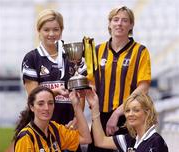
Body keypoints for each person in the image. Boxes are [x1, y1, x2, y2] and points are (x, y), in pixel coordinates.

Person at [21, 9, 86, 151]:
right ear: (39, 30)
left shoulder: (74, 55)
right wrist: (55, 92)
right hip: (44, 128)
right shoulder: (31, 58)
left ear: (61, 31)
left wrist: (77, 119)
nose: (51, 34)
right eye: (46, 30)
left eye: (56, 29)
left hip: (70, 127)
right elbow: (34, 96)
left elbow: (81, 94)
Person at [87, 6, 151, 152]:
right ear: (109, 24)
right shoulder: (96, 51)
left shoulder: (140, 51)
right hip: (100, 117)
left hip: (130, 117)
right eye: (115, 20)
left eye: (124, 20)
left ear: (131, 25)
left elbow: (143, 87)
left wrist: (117, 113)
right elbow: (91, 83)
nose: (119, 24)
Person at [85, 89, 168, 152]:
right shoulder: (129, 139)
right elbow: (101, 141)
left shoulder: (156, 141)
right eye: (127, 110)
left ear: (147, 112)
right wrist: (94, 107)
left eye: (136, 110)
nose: (130, 114)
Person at [13, 86, 91, 152]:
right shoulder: (26, 138)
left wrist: (76, 105)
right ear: (32, 107)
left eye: (50, 103)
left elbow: (86, 139)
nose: (46, 108)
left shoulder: (55, 129)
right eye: (41, 104)